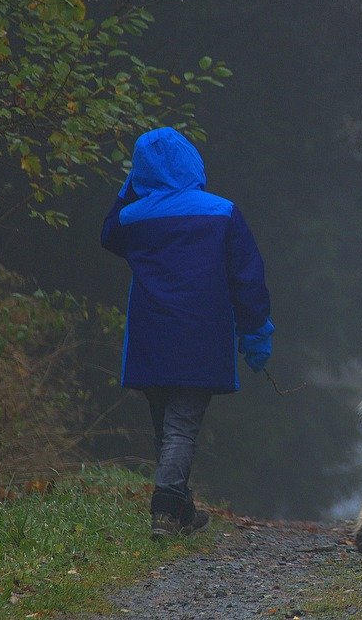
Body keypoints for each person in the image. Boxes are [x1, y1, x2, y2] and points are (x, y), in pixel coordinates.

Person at [101, 127, 274, 538]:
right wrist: (255, 332)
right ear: (192, 161)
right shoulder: (221, 212)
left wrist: (132, 187)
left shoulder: (132, 218)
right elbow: (246, 277)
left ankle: (180, 510)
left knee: (166, 424)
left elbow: (107, 234)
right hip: (201, 336)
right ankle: (165, 509)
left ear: (140, 172)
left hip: (150, 336)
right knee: (180, 427)